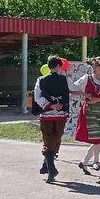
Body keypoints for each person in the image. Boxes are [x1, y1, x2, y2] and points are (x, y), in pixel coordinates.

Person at [34, 55, 71, 183]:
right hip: (61, 114)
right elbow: (74, 89)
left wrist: (50, 105)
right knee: (56, 139)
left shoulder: (41, 80)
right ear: (58, 66)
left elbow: (37, 97)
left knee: (49, 139)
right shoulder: (64, 79)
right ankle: (51, 168)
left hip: (47, 114)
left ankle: (48, 166)